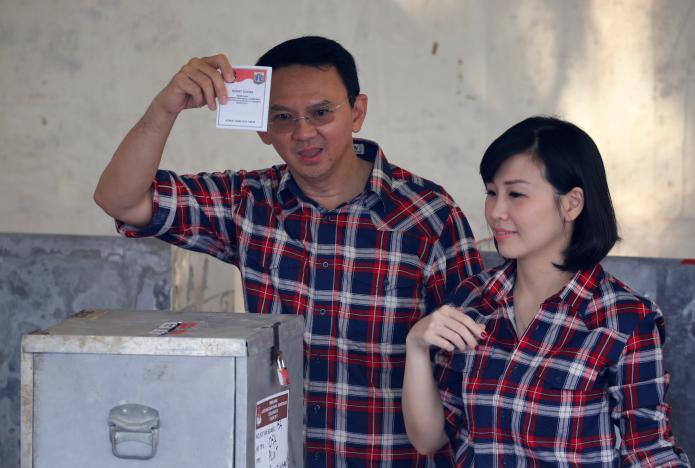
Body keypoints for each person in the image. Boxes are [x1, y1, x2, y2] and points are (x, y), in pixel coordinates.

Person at [94, 36, 483, 466]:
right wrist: (166, 107)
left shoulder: (426, 215)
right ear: (263, 127)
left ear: (357, 112)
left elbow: (469, 368)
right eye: (283, 117)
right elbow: (122, 200)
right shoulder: (248, 201)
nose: (303, 133)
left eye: (321, 112)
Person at [402, 116, 690, 467]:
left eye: (516, 194)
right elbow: (429, 438)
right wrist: (416, 345)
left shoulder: (624, 320)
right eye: (492, 193)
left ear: (571, 204)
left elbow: (650, 452)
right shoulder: (473, 299)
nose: (496, 212)